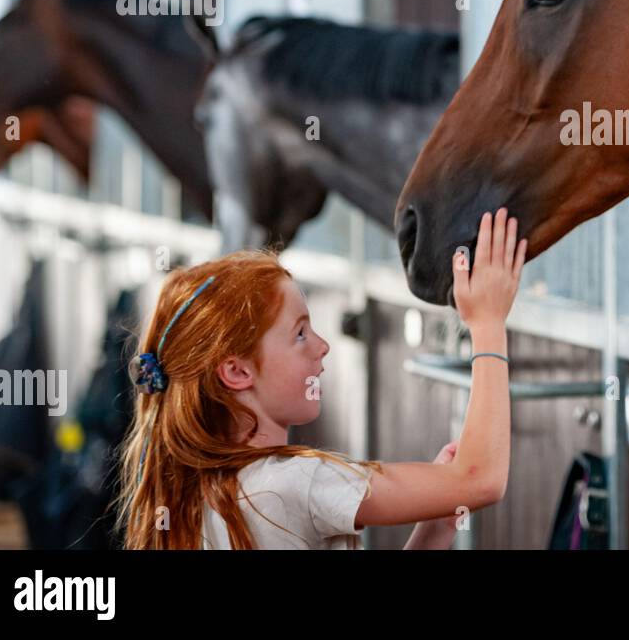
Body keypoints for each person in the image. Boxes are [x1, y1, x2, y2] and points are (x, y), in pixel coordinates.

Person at [114, 208, 525, 549]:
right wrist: (487, 323)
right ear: (237, 371)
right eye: (299, 334)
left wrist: (436, 525)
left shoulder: (194, 496)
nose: (322, 346)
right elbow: (482, 478)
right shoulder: (295, 482)